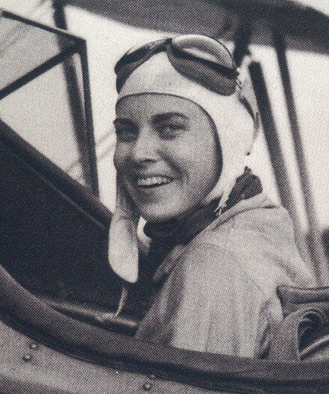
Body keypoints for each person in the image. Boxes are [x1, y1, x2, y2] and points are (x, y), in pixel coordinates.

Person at [107, 34, 316, 358]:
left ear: (228, 139)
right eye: (126, 131)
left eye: (170, 128)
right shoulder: (256, 221)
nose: (138, 153)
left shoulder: (215, 268)